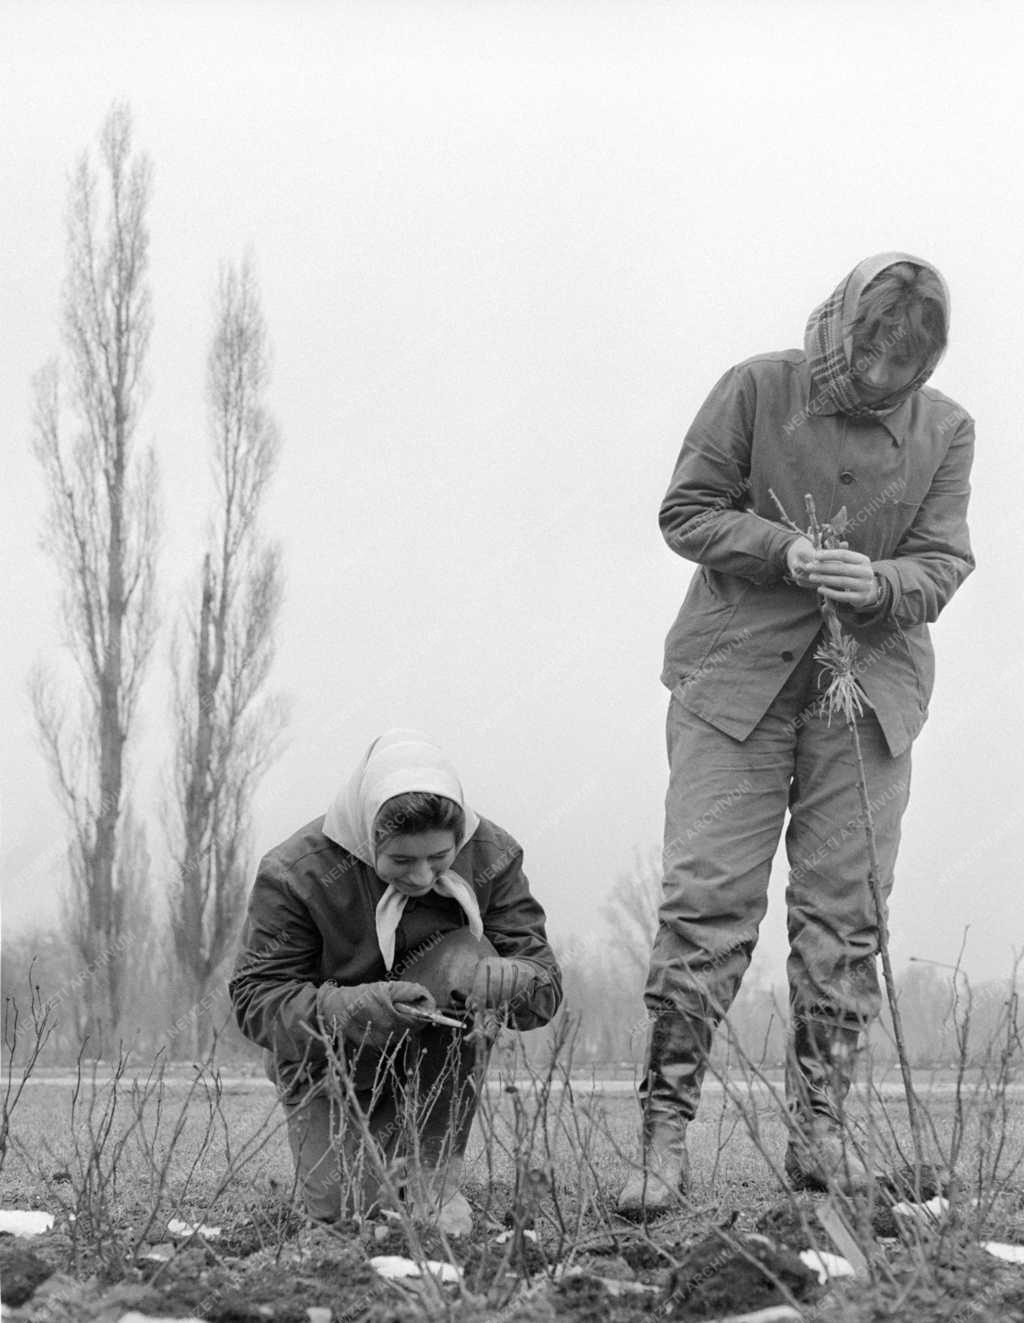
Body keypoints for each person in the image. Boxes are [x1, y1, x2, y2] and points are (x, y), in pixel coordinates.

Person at [618, 253, 974, 1215]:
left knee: (845, 918)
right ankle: (663, 1133)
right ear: (843, 321)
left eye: (908, 357)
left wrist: (886, 585)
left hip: (867, 696)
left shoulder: (946, 431)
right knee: (706, 903)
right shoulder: (755, 388)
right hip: (733, 684)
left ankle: (821, 1134)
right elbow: (685, 511)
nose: (882, 372)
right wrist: (784, 551)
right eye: (873, 346)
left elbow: (944, 558)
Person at [229, 729, 562, 1223]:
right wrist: (361, 1009)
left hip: (436, 1061)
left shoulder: (493, 855)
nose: (424, 877)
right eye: (402, 861)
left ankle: (434, 1174)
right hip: (331, 1062)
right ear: (367, 838)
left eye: (439, 858)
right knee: (349, 1214)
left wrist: (510, 980)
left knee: (464, 956)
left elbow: (544, 982)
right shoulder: (295, 872)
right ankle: (367, 1164)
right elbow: (257, 1000)